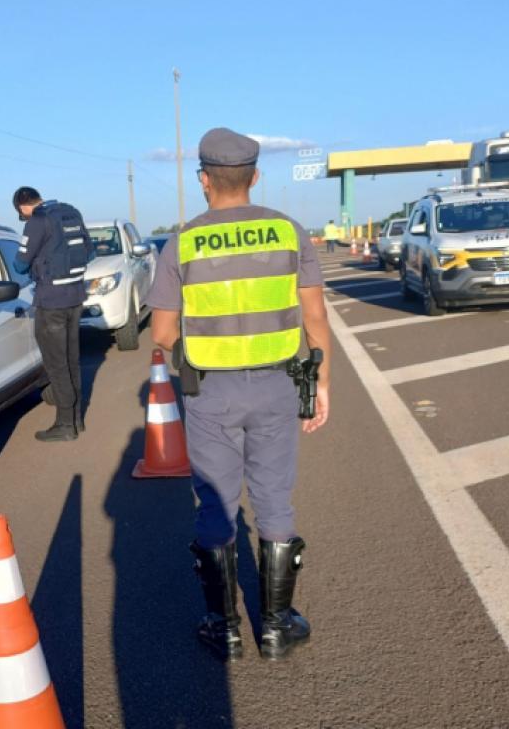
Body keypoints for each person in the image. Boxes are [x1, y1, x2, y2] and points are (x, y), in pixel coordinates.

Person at [148, 127, 332, 662]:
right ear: (255, 177)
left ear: (204, 180)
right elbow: (315, 318)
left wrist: (208, 349)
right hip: (278, 385)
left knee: (216, 504)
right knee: (274, 500)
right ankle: (275, 626)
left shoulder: (182, 242)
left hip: (210, 391)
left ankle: (223, 627)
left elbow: (162, 334)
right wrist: (321, 383)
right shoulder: (289, 232)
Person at [13, 186, 91, 442]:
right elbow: (90, 251)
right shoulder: (71, 212)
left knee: (57, 365)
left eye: (21, 214)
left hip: (51, 302)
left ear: (23, 206)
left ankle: (65, 425)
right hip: (76, 296)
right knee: (71, 361)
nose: (23, 217)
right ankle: (76, 419)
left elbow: (20, 264)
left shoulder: (38, 220)